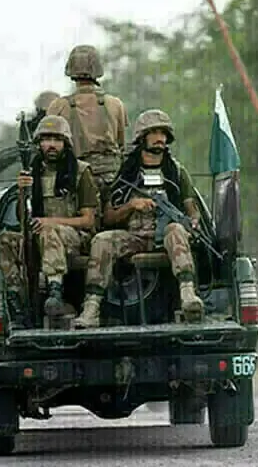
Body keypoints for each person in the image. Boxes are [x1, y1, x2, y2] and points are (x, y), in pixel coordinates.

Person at [72, 109, 204, 329]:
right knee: (102, 240)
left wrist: (193, 221)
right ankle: (91, 309)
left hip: (167, 238)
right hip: (135, 237)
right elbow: (109, 217)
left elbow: (192, 209)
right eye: (154, 133)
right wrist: (131, 205)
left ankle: (188, 296)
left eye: (163, 133)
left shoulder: (176, 172)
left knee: (176, 230)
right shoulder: (127, 173)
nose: (160, 138)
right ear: (142, 138)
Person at [0, 115, 100, 330]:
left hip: (75, 238)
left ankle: (55, 290)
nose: (51, 145)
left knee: (48, 230)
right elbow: (23, 219)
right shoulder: (32, 172)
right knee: (5, 239)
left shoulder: (80, 172)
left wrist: (49, 222)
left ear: (65, 143)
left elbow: (88, 220)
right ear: (39, 144)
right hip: (39, 236)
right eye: (46, 139)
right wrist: (23, 191)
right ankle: (18, 304)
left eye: (57, 139)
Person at [46, 45, 129, 195]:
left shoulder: (58, 106)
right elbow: (121, 143)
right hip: (112, 179)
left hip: (75, 179)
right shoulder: (115, 104)